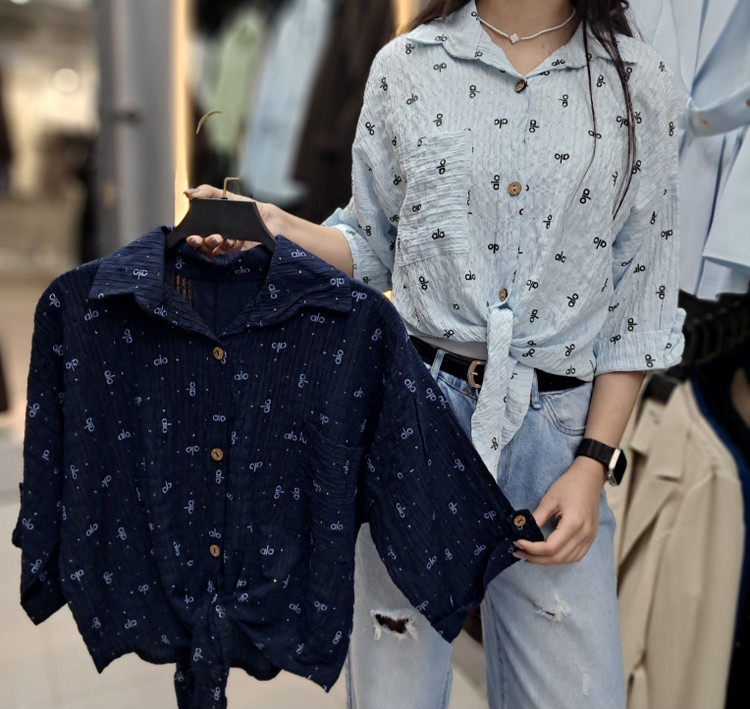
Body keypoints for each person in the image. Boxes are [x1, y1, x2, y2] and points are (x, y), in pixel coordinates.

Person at [183, 1, 686, 707]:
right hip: (416, 422)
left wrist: (592, 462)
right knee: (396, 691)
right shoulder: (409, 65)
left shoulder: (641, 85)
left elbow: (641, 301)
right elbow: (370, 245)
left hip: (557, 438)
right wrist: (271, 226)